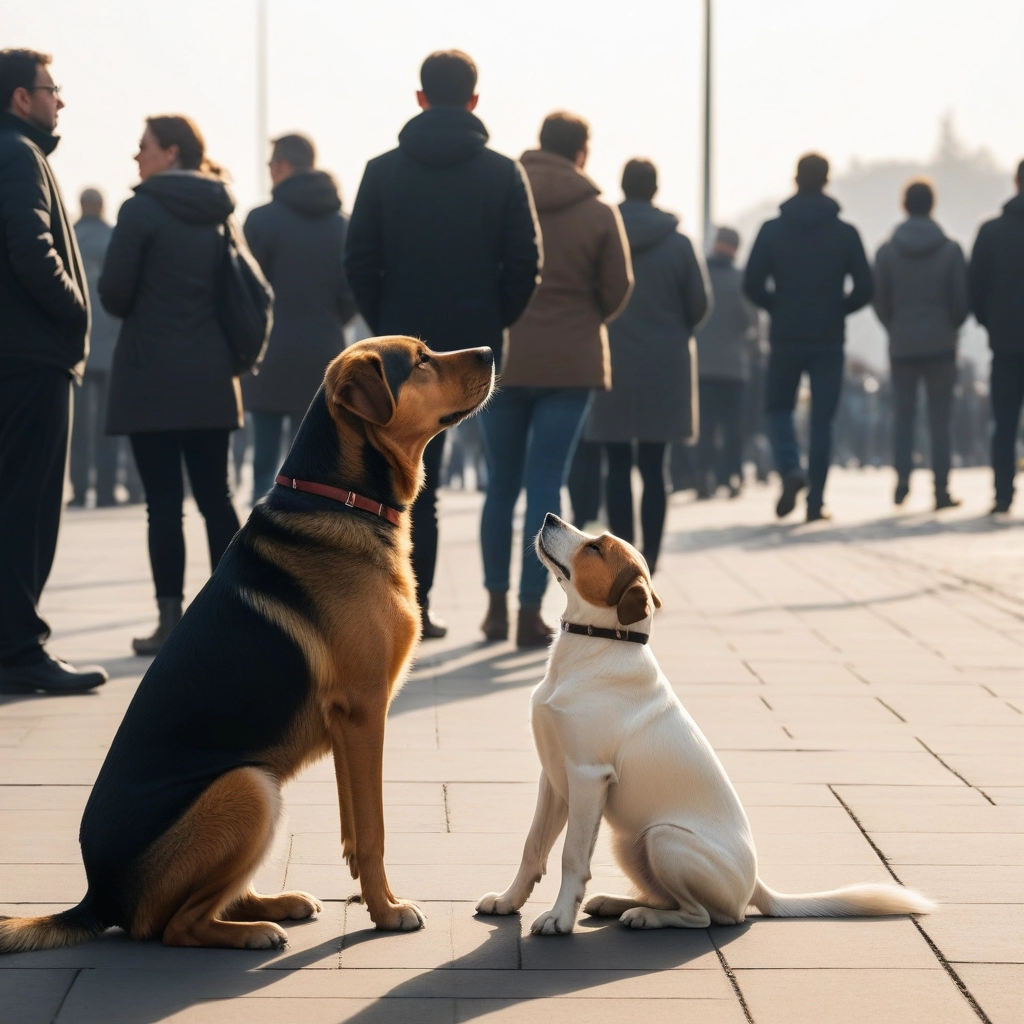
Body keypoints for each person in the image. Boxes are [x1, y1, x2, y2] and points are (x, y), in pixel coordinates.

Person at [346, 50, 540, 638]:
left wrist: (390, 334)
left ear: (420, 98)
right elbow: (526, 264)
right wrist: (491, 321)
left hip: (402, 355)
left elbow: (358, 262)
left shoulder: (382, 171)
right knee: (501, 474)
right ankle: (490, 601)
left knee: (405, 476)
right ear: (475, 101)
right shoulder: (504, 173)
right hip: (476, 351)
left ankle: (409, 607)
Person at [483, 112, 632, 646]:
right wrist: (583, 316)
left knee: (500, 483)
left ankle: (494, 606)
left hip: (505, 357)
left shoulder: (502, 195)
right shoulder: (597, 211)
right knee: (548, 480)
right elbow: (619, 286)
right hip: (570, 363)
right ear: (583, 152)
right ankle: (529, 609)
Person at [101, 115, 245, 655]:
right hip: (211, 376)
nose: (136, 156)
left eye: (143, 146)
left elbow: (114, 293)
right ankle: (237, 613)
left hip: (151, 377)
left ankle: (169, 621)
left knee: (162, 502)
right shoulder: (220, 209)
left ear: (170, 152)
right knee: (216, 496)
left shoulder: (140, 209)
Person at [0, 49, 107, 693]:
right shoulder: (19, 154)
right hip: (31, 359)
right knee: (27, 507)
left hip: (15, 355)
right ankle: (18, 649)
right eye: (51, 88)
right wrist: (74, 313)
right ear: (21, 98)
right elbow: (30, 247)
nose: (59, 100)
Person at [584, 158, 708, 571]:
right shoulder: (679, 243)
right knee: (655, 466)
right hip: (665, 365)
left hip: (612, 360)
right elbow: (699, 305)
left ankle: (622, 557)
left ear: (622, 187)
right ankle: (650, 558)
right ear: (655, 189)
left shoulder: (603, 235)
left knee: (616, 463)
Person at [744, 153, 872, 521]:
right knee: (822, 419)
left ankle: (789, 468)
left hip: (786, 335)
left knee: (778, 408)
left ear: (795, 179)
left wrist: (777, 306)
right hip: (828, 336)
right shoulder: (845, 233)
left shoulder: (772, 230)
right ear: (827, 181)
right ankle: (816, 503)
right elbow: (865, 287)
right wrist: (837, 308)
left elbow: (751, 283)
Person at [244, 133, 356, 500]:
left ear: (281, 166)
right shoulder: (343, 225)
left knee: (264, 462)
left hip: (268, 353)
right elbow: (351, 294)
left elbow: (247, 291)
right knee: (315, 466)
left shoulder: (261, 220)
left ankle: (260, 546)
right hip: (325, 353)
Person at [873, 179, 968, 510]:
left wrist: (895, 326)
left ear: (904, 205)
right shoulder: (950, 250)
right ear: (932, 205)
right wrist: (949, 327)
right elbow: (961, 301)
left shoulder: (887, 251)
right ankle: (940, 489)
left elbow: (879, 300)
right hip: (941, 344)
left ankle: (902, 482)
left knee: (904, 415)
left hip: (902, 345)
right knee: (941, 419)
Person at [969, 159, 1024, 514]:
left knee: (1003, 422)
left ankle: (1003, 492)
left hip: (1006, 342)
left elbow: (974, 288)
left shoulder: (990, 232)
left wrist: (991, 323)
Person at [695, 226, 758, 499]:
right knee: (732, 426)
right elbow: (751, 321)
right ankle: (731, 476)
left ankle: (702, 475)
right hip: (733, 366)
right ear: (735, 248)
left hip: (699, 365)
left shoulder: (699, 275)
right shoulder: (742, 280)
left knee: (704, 425)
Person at [69, 188, 121, 508]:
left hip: (77, 346)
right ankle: (105, 490)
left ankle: (78, 491)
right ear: (102, 206)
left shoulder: (69, 237)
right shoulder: (115, 238)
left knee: (78, 428)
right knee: (109, 427)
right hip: (112, 348)